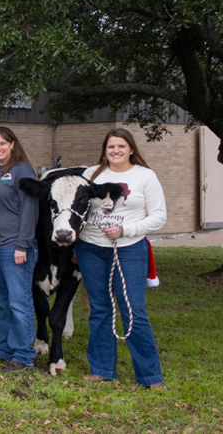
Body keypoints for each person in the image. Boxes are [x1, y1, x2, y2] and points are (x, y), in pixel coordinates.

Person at [76, 128, 167, 389]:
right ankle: (102, 369)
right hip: (91, 248)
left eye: (121, 146)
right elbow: (78, 208)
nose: (116, 151)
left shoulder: (145, 176)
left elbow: (159, 217)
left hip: (128, 250)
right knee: (100, 309)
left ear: (131, 149)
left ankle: (150, 376)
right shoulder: (91, 174)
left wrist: (126, 230)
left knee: (133, 310)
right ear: (104, 150)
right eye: (111, 147)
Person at [0, 126, 39, 373]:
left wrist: (22, 244)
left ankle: (23, 354)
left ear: (13, 144)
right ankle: (3, 350)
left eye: (3, 143)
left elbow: (29, 209)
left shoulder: (22, 171)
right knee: (0, 302)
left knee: (19, 302)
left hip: (14, 247)